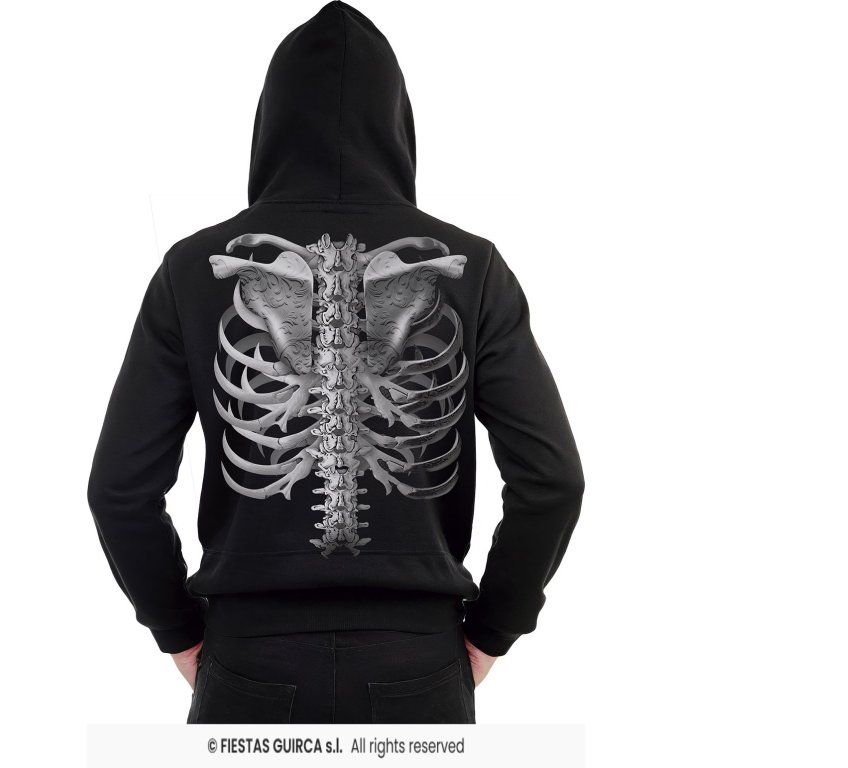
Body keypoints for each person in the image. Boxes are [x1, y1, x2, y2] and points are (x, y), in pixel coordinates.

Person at [86, 0, 584, 724]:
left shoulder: (191, 267)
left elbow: (119, 488)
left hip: (248, 658)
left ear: (268, 123)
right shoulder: (475, 267)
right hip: (418, 659)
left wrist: (179, 632)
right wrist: (491, 634)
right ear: (399, 124)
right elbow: (553, 480)